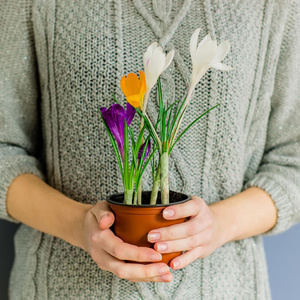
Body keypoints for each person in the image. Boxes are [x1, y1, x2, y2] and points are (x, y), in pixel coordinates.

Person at [1, 0, 299, 299]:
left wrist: (219, 225)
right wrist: (78, 225)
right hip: (60, 289)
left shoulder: (274, 7)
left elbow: (294, 163)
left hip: (226, 289)